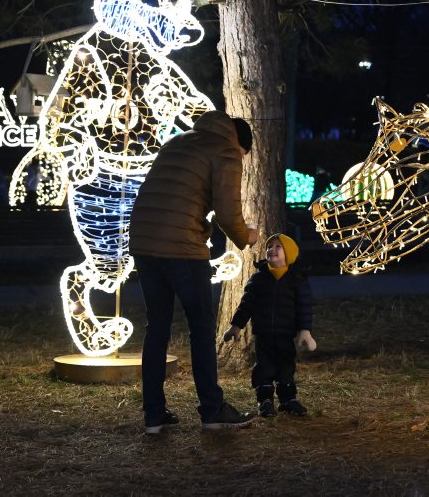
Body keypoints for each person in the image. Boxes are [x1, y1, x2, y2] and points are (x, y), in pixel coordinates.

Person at [129, 111, 259, 434]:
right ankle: (213, 410)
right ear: (240, 144)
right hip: (182, 247)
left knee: (156, 327)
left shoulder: (178, 141)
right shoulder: (226, 150)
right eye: (244, 155)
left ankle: (154, 415)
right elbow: (229, 212)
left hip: (144, 241)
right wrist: (247, 237)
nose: (241, 161)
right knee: (201, 326)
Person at [222, 233, 316, 417]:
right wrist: (236, 326)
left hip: (286, 334)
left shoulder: (297, 280)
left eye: (277, 247)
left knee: (286, 367)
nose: (271, 250)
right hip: (263, 334)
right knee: (263, 368)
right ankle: (264, 401)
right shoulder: (259, 280)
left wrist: (305, 330)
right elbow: (246, 305)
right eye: (269, 247)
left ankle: (288, 400)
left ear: (288, 253)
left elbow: (304, 306)